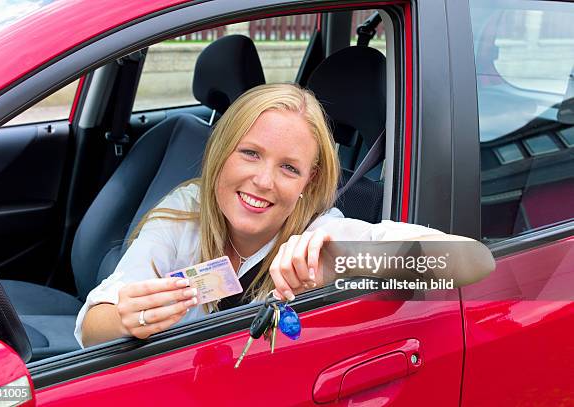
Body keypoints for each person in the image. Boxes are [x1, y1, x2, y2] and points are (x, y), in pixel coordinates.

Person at [77, 83, 494, 348]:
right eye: (250, 153)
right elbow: (92, 325)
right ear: (221, 153)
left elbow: (475, 263)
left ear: (308, 183)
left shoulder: (322, 235)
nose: (263, 181)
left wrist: (347, 259)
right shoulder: (187, 211)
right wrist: (128, 318)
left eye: (289, 168)